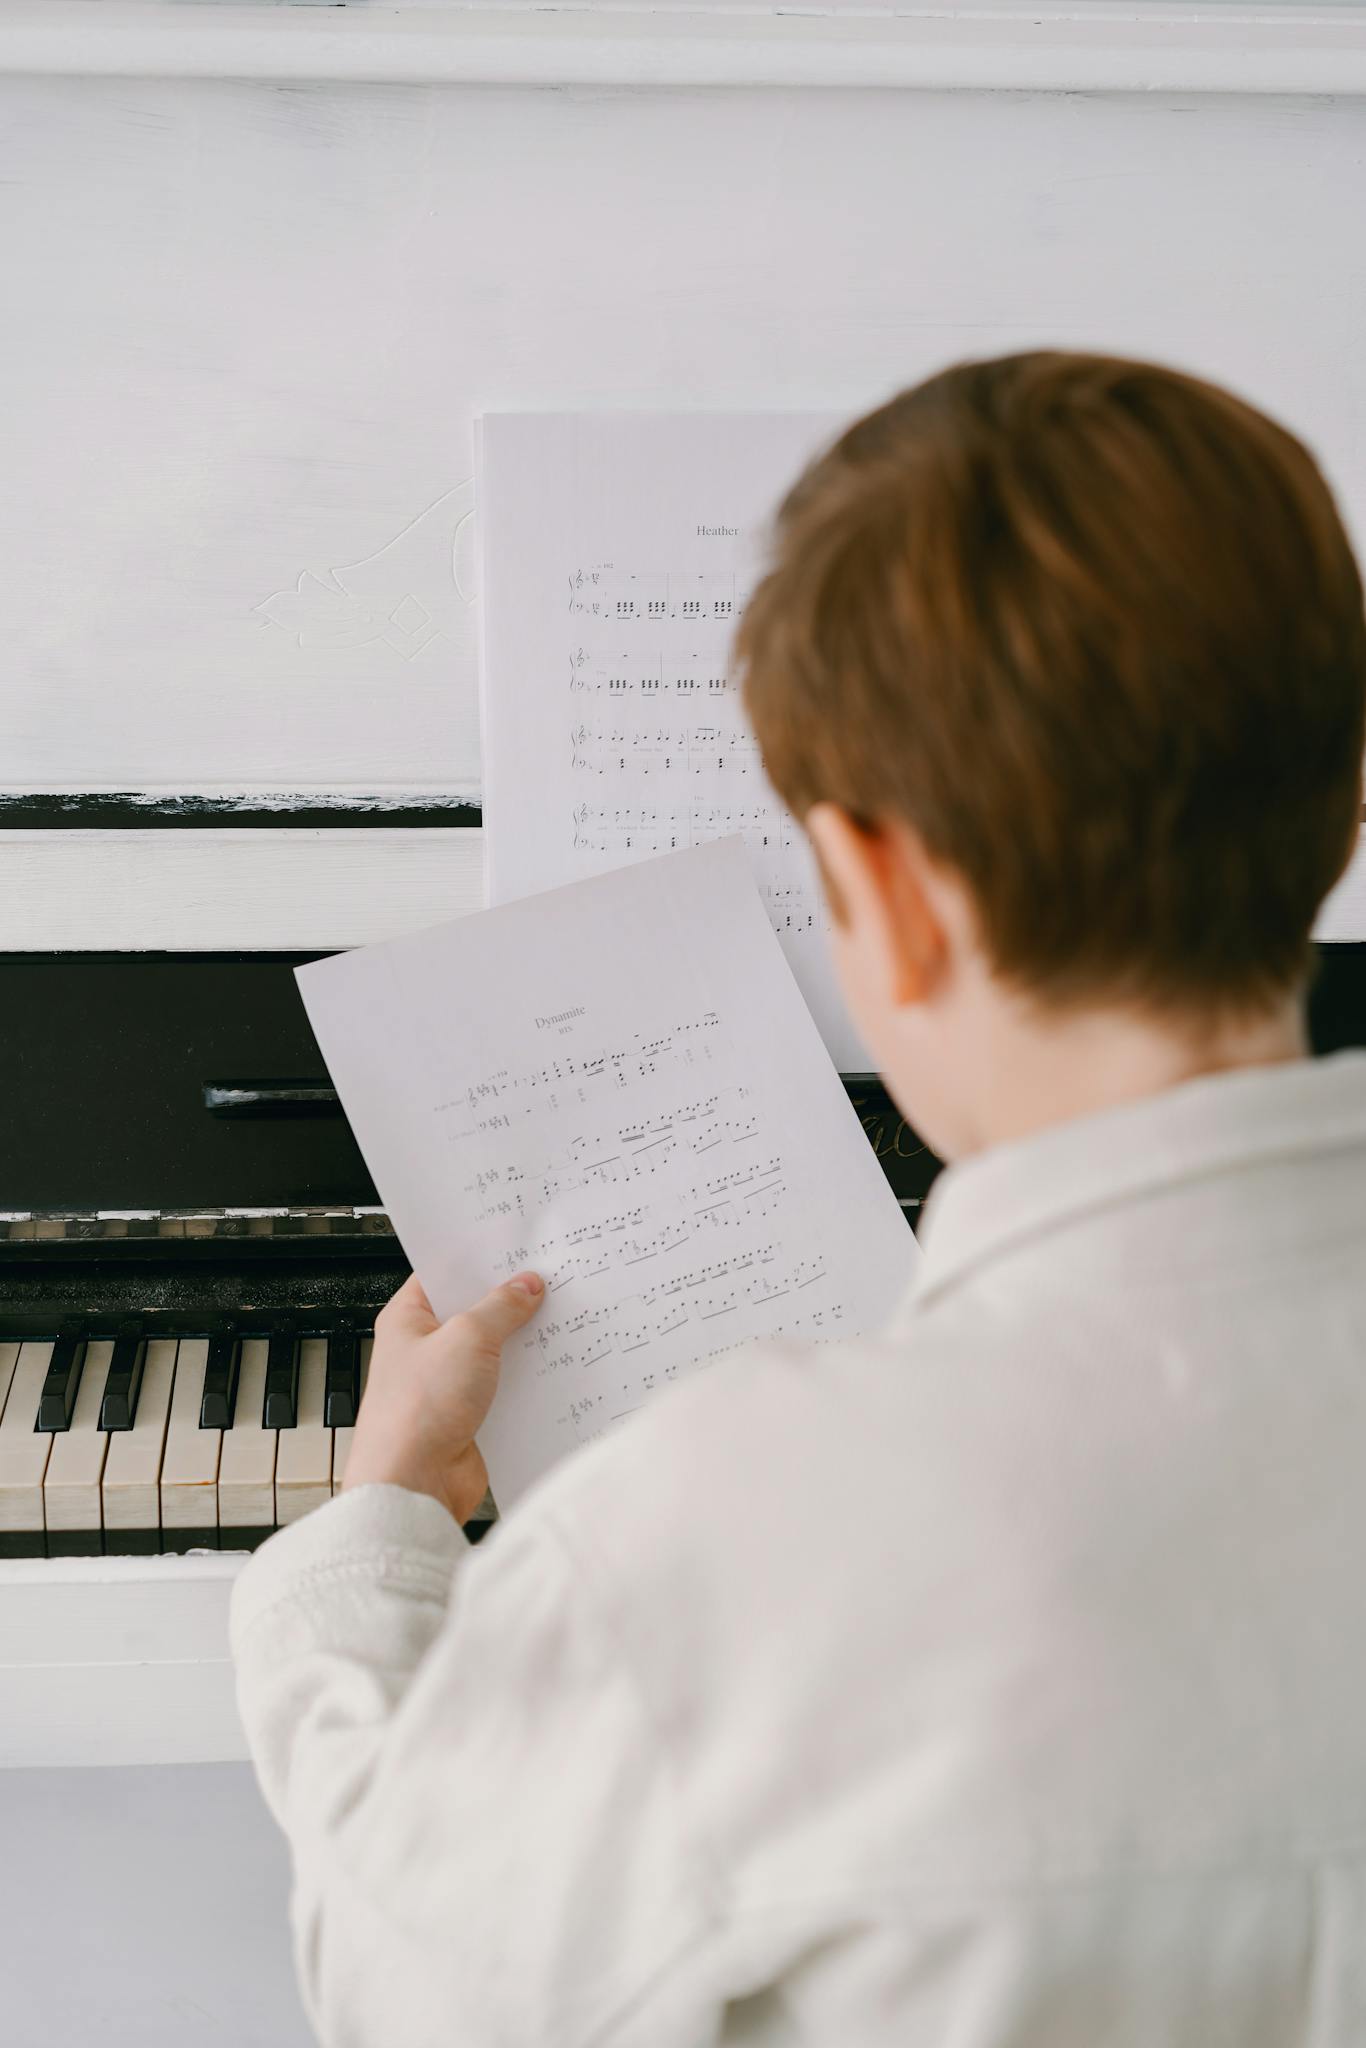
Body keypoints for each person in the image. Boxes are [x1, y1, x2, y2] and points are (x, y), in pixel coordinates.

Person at [231, 352, 1366, 2047]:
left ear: (888, 896)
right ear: (1346, 801)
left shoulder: (713, 1532)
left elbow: (414, 1996)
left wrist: (375, 1523)